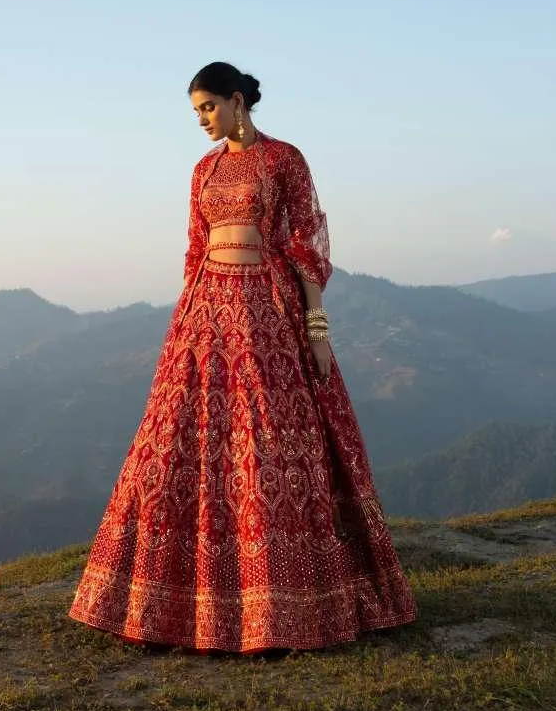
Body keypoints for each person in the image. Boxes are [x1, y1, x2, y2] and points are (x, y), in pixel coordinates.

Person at [68, 61, 416, 652]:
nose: (203, 121)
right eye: (196, 112)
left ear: (237, 100)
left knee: (273, 441)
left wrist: (316, 325)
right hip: (206, 310)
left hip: (267, 308)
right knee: (186, 440)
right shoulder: (204, 170)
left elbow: (305, 240)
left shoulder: (284, 160)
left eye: (208, 107)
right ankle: (171, 600)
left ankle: (285, 603)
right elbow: (194, 247)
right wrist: (185, 318)